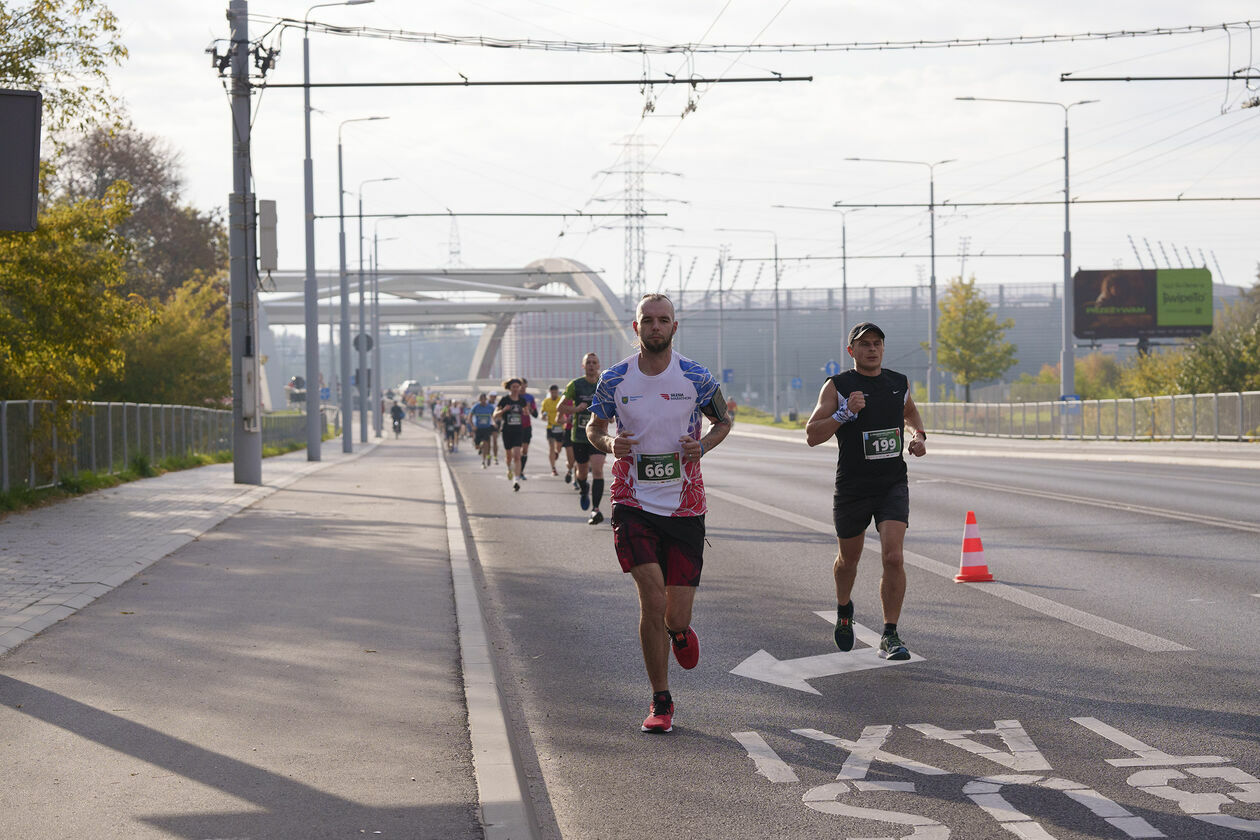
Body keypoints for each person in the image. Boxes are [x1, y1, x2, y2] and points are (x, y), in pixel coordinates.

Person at [586, 293, 731, 734]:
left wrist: (701, 445)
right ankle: (661, 700)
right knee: (651, 599)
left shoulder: (696, 376)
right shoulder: (614, 380)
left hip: (685, 505)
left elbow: (723, 420)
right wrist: (611, 445)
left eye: (662, 320)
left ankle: (681, 632)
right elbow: (594, 427)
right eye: (647, 320)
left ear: (673, 327)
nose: (654, 327)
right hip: (632, 501)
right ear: (635, 328)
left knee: (675, 614)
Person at [805, 322, 927, 662]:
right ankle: (845, 609)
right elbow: (812, 434)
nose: (871, 349)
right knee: (849, 560)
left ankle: (890, 634)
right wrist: (845, 413)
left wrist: (919, 435)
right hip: (853, 489)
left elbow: (910, 412)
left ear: (883, 349)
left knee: (893, 557)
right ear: (851, 351)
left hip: (892, 484)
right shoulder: (839, 386)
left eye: (877, 344)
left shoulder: (897, 383)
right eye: (864, 345)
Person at [561, 353, 608, 524]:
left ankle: (595, 509)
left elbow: (616, 405)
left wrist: (610, 415)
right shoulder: (576, 385)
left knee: (597, 470)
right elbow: (560, 407)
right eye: (588, 362)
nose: (591, 365)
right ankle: (583, 487)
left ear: (599, 365)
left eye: (594, 362)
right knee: (581, 472)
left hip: (598, 435)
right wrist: (577, 409)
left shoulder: (604, 384)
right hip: (579, 437)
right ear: (583, 366)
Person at [494, 379, 531, 491]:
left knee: (517, 456)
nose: (515, 389)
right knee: (509, 456)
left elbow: (526, 412)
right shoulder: (504, 400)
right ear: (509, 388)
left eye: (517, 387)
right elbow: (495, 415)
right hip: (506, 430)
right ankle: (509, 468)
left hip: (518, 431)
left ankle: (516, 479)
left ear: (520, 388)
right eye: (513, 387)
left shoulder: (522, 400)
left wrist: (526, 412)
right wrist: (503, 410)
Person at [539, 383, 565, 476]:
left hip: (560, 428)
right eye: (552, 392)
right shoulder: (546, 401)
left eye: (556, 392)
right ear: (550, 392)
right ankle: (553, 468)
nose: (554, 394)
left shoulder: (561, 400)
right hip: (550, 428)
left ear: (558, 392)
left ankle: (556, 453)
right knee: (551, 448)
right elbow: (542, 413)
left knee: (558, 448)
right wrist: (542, 416)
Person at [469, 393, 497, 468]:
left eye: (484, 400)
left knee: (486, 443)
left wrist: (494, 423)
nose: (483, 401)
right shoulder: (476, 407)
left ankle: (484, 460)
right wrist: (472, 426)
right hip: (478, 428)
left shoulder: (490, 407)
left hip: (486, 428)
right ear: (479, 400)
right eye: (481, 400)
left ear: (486, 400)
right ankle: (481, 449)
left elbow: (493, 416)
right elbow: (470, 417)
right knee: (477, 446)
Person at [518, 378, 538, 480]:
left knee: (524, 451)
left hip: (526, 426)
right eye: (519, 385)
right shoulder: (514, 397)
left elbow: (535, 414)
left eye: (523, 385)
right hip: (515, 427)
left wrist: (530, 409)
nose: (521, 387)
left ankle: (520, 471)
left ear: (526, 386)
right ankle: (516, 468)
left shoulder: (530, 397)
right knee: (516, 451)